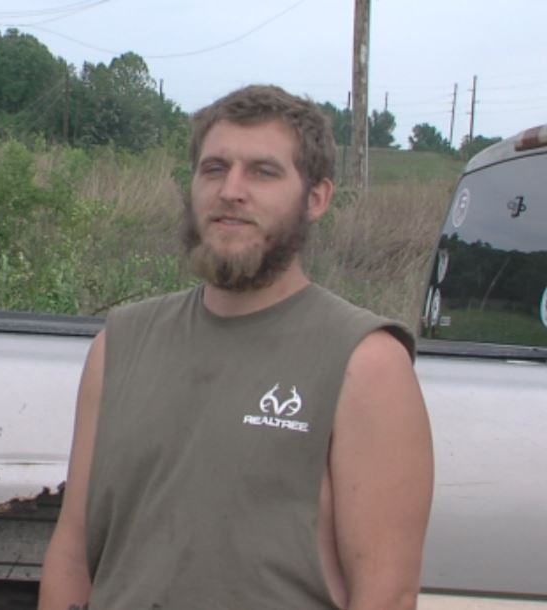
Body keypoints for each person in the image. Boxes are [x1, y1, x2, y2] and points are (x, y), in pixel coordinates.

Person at [38, 85, 434, 610]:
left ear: (316, 198)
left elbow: (386, 594)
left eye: (263, 172)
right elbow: (71, 552)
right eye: (214, 168)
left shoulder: (365, 361)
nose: (231, 190)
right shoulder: (118, 345)